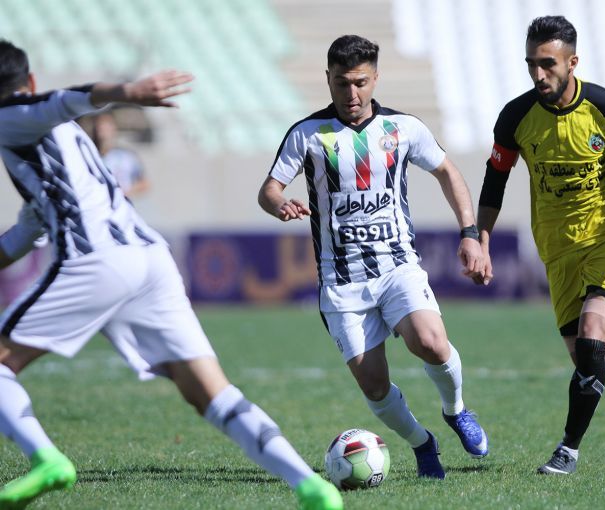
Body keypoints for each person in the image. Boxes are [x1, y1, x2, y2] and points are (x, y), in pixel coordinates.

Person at [0, 40, 342, 510]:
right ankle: (310, 485)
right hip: (149, 259)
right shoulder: (58, 145)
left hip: (96, 260)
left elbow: (60, 100)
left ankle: (46, 460)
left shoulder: (13, 116)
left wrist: (125, 92)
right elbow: (24, 233)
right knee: (210, 392)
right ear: (30, 77)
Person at [258, 35, 489, 479]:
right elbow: (269, 189)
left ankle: (456, 410)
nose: (352, 93)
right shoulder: (307, 134)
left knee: (430, 342)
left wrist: (469, 233)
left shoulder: (403, 128)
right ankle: (423, 443)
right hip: (341, 280)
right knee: (374, 383)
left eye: (360, 82)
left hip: (397, 266)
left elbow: (447, 170)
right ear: (328, 79)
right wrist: (279, 203)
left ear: (376, 78)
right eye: (342, 83)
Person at [476, 16, 605, 475]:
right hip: (556, 245)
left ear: (572, 62)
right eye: (532, 64)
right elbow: (495, 180)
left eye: (548, 64)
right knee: (589, 360)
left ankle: (568, 449)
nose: (538, 73)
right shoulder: (515, 117)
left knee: (590, 339)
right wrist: (480, 240)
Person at [91, 109, 150, 199]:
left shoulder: (127, 156)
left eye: (106, 126)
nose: (102, 131)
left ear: (114, 128)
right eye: (99, 127)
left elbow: (144, 183)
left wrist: (126, 192)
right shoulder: (91, 157)